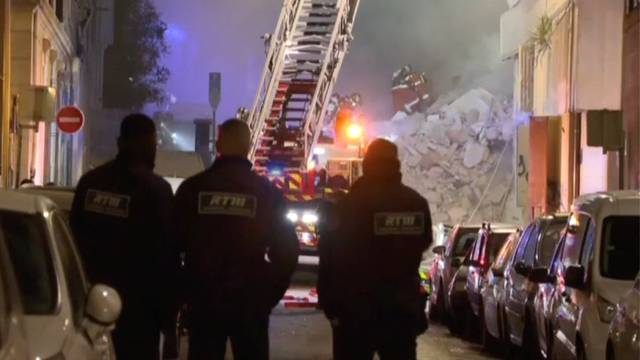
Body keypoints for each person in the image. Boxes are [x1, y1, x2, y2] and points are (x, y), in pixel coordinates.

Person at [173, 119, 299, 360]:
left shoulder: (194, 188)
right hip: (250, 304)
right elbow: (287, 250)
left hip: (204, 303)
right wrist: (267, 294)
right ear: (248, 146)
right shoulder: (266, 192)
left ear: (218, 143)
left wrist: (186, 290)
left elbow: (169, 246)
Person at [70, 113, 176, 359]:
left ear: (119, 143)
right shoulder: (156, 191)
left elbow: (72, 244)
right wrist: (168, 325)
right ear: (151, 145)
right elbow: (166, 260)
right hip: (140, 316)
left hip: (89, 313)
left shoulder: (90, 184)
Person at [318, 138, 432, 360]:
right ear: (396, 165)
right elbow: (424, 241)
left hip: (354, 314)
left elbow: (330, 256)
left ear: (366, 164)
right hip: (400, 312)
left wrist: (331, 307)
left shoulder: (349, 204)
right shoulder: (415, 203)